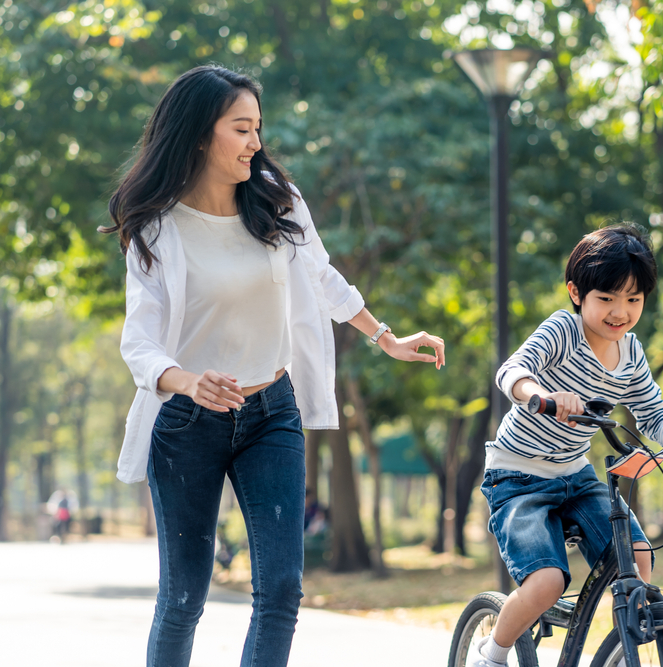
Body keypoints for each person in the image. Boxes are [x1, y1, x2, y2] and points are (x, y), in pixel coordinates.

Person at [102, 65, 445, 667]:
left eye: (258, 127)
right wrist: (187, 380)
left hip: (270, 414)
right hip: (186, 423)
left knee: (282, 591)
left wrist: (383, 336)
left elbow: (321, 276)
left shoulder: (276, 203)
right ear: (201, 135)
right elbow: (141, 342)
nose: (256, 142)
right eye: (242, 128)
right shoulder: (159, 229)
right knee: (184, 597)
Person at [471, 223, 663, 667]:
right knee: (545, 584)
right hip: (517, 475)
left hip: (575, 473)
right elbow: (513, 370)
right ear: (576, 293)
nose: (620, 311)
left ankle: (625, 652)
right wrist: (539, 394)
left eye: (633, 299)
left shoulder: (632, 352)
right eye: (607, 298)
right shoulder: (563, 330)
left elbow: (652, 411)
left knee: (639, 559)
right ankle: (492, 653)